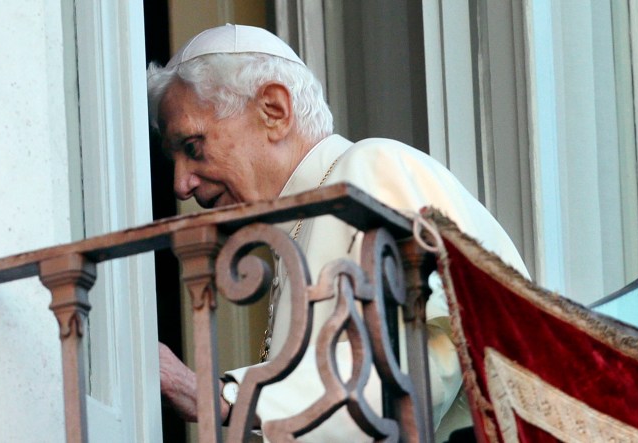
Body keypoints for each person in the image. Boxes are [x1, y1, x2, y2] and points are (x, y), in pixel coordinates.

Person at [147, 24, 529, 441]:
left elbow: (425, 358)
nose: (180, 184)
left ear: (274, 110)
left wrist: (223, 397)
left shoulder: (372, 167)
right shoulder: (296, 227)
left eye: (193, 147)